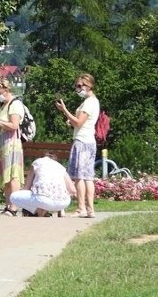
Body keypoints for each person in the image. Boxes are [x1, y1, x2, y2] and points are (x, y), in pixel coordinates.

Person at [56, 73, 100, 218]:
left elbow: (79, 122)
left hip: (82, 141)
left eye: (82, 86)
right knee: (88, 176)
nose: (79, 88)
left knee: (80, 176)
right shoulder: (92, 101)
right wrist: (72, 121)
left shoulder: (89, 103)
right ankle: (90, 209)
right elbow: (80, 122)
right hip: (89, 141)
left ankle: (81, 208)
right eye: (77, 86)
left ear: (90, 86)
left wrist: (65, 111)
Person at [0, 78, 25, 216]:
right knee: (6, 176)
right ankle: (8, 204)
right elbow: (2, 123)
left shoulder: (15, 104)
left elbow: (14, 125)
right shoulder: (3, 105)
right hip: (2, 146)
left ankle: (14, 206)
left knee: (13, 175)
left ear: (6, 90)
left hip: (11, 145)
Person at [10, 154, 77, 217]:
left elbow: (27, 188)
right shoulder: (61, 167)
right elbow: (73, 190)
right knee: (53, 194)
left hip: (43, 199)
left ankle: (39, 210)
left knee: (13, 197)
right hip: (63, 203)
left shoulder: (36, 163)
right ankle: (61, 211)